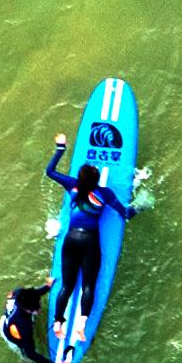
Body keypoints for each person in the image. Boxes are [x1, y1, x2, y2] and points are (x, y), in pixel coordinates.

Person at [46, 132, 136, 344]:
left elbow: (49, 171)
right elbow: (125, 214)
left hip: (70, 239)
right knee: (88, 284)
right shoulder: (104, 193)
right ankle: (80, 326)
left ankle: (58, 322)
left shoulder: (72, 186)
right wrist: (141, 205)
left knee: (67, 285)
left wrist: (60, 148)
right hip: (89, 241)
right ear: (96, 180)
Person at [1, 279, 71, 363]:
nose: (40, 307)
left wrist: (47, 286)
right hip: (11, 333)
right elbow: (31, 354)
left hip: (10, 316)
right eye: (38, 307)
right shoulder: (24, 327)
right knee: (27, 353)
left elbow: (35, 293)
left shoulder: (20, 294)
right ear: (29, 310)